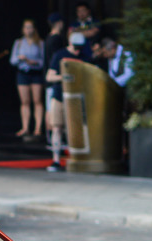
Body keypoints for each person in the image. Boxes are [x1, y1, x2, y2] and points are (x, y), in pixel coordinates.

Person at [45, 29, 86, 172]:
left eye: (80, 48)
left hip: (76, 99)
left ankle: (75, 160)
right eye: (75, 47)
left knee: (74, 130)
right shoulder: (60, 55)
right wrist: (64, 77)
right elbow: (49, 77)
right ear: (70, 43)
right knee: (56, 128)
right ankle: (56, 160)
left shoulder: (84, 55)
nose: (77, 51)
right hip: (59, 96)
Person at [10, 19, 46, 139]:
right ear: (23, 29)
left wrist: (31, 61)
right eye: (26, 27)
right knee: (25, 102)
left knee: (37, 101)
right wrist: (21, 58)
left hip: (35, 73)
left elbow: (43, 62)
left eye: (30, 27)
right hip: (23, 73)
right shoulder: (19, 43)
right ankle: (25, 128)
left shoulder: (40, 43)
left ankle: (38, 128)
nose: (28, 29)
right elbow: (12, 60)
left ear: (34, 29)